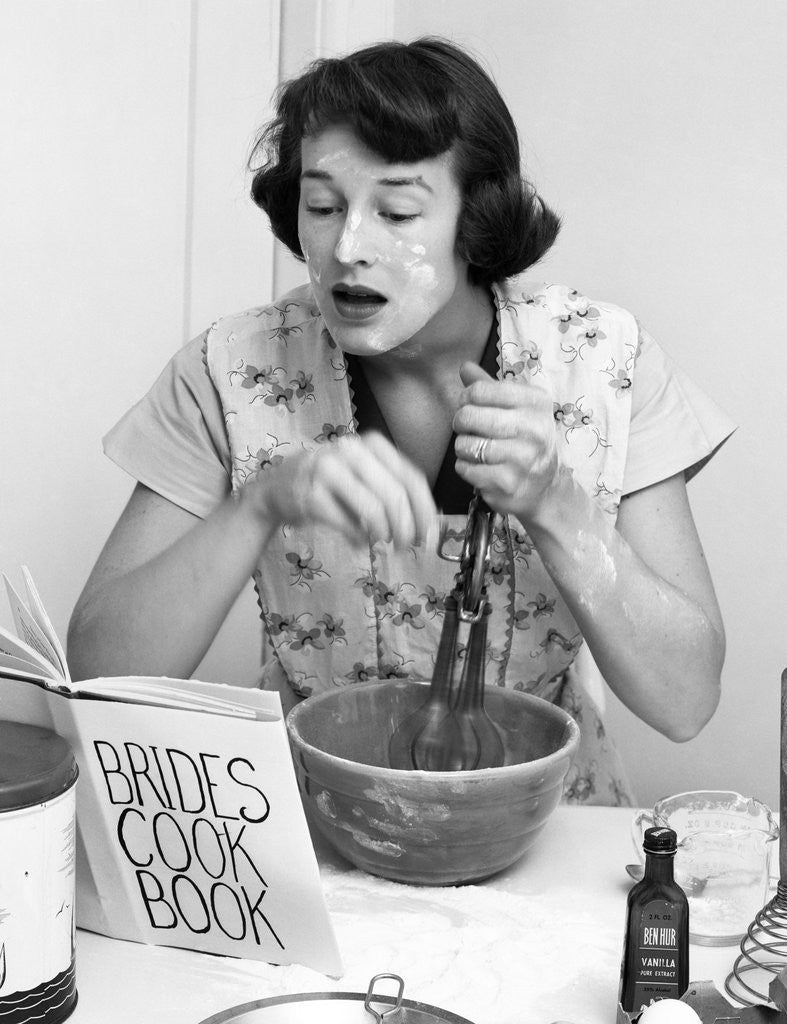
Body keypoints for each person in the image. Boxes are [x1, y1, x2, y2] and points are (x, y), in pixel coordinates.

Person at [67, 37, 735, 806]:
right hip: (317, 828)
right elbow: (99, 676)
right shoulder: (229, 369)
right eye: (323, 207)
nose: (348, 248)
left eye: (397, 211)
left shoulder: (606, 363)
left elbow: (687, 701)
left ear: (475, 217)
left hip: (549, 829)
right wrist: (258, 506)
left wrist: (557, 505)